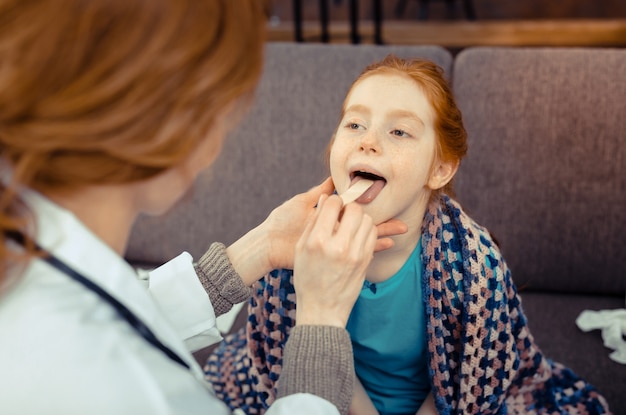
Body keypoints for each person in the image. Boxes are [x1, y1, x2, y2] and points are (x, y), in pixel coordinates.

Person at [0, 1, 407, 414]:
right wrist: (321, 317)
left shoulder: (33, 252)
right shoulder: (124, 385)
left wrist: (260, 248)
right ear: (170, 119)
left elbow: (119, 317)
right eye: (224, 110)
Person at [205, 56, 612, 415]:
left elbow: (469, 379)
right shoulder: (298, 250)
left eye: (399, 132)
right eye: (354, 124)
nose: (368, 141)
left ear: (439, 170)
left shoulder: (473, 267)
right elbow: (302, 352)